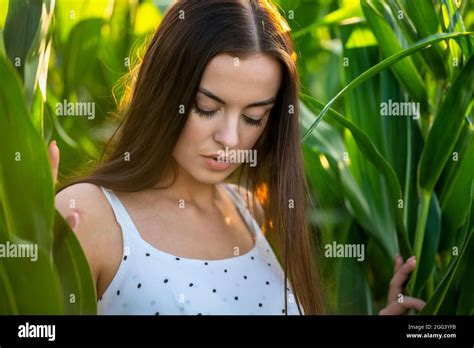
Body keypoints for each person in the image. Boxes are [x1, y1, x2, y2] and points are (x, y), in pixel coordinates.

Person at [48, 0, 425, 315]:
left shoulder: (250, 211)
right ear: (163, 90)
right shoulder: (88, 216)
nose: (230, 138)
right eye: (206, 108)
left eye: (253, 117)